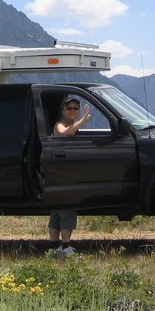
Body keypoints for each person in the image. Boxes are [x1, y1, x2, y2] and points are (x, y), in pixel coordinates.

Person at [48, 96, 90, 258]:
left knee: (57, 211)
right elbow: (64, 133)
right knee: (66, 209)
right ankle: (65, 247)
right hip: (62, 174)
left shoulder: (71, 125)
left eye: (75, 108)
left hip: (59, 172)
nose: (73, 111)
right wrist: (83, 121)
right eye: (69, 108)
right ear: (62, 111)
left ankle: (53, 247)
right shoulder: (59, 125)